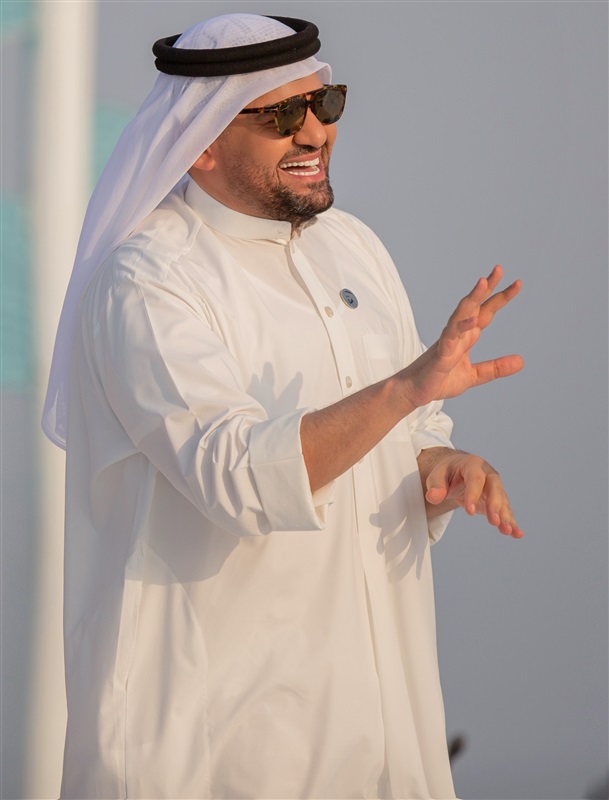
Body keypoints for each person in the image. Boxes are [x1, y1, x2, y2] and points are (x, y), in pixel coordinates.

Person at [43, 14, 523, 800]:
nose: (313, 132)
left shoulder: (355, 249)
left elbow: (401, 435)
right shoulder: (147, 281)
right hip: (210, 754)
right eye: (280, 115)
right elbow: (236, 478)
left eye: (325, 104)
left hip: (375, 743)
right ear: (199, 141)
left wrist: (438, 463)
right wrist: (405, 389)